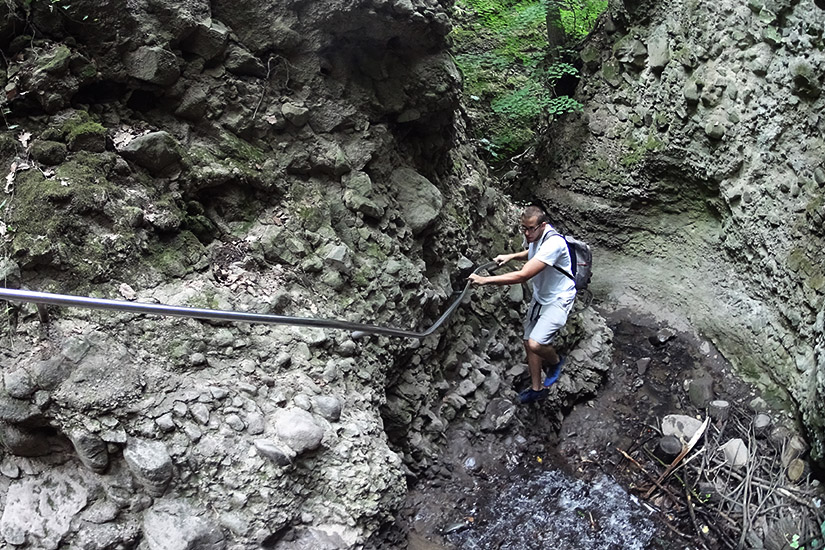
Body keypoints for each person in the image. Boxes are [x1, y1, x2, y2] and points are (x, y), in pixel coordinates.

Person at [468, 205, 576, 404]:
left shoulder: (554, 244)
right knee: (528, 341)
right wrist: (512, 256)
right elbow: (533, 252)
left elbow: (523, 275)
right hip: (541, 295)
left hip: (559, 298)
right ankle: (537, 389)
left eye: (530, 229)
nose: (526, 233)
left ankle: (556, 361)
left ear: (543, 225)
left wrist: (484, 281)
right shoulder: (536, 236)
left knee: (536, 343)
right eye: (523, 228)